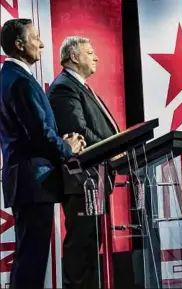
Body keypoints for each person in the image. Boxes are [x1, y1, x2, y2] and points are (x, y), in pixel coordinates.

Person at [0, 19, 85, 289]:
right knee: (32, 260)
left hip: (27, 180)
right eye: (36, 37)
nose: (42, 43)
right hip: (34, 181)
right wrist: (66, 146)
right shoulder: (20, 81)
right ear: (19, 44)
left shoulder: (10, 77)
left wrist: (59, 142)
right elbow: (38, 134)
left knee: (29, 258)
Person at [47, 36, 119, 289]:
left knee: (91, 245)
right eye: (90, 52)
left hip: (94, 178)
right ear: (74, 57)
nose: (96, 57)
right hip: (81, 179)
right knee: (81, 246)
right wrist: (114, 149)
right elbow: (77, 130)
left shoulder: (80, 86)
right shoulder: (64, 87)